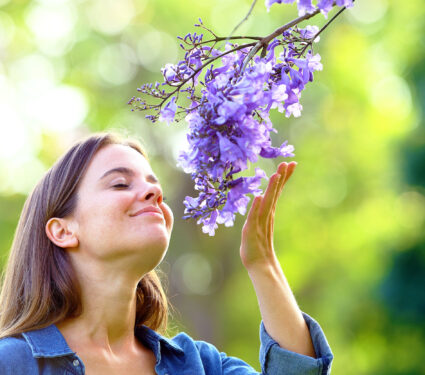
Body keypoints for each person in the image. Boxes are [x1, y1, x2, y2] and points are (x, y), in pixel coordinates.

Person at [0, 132, 333, 374]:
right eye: (120, 184)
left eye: (153, 185)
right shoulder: (12, 363)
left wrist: (264, 265)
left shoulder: (200, 365)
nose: (154, 192)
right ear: (63, 231)